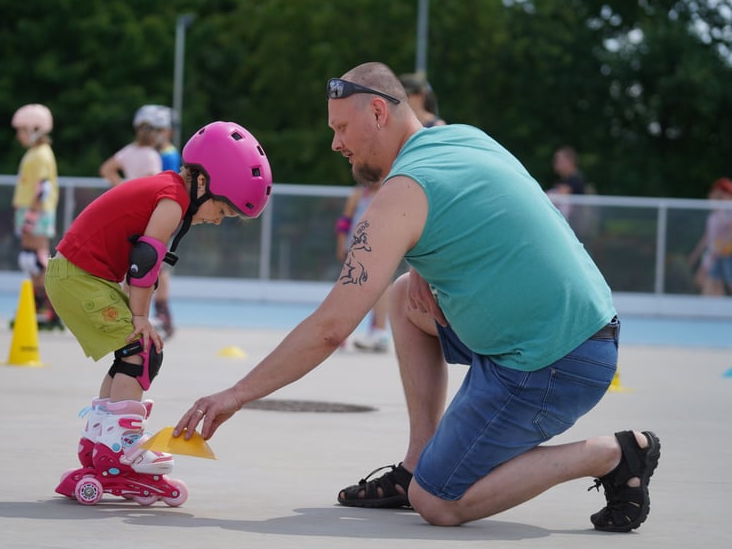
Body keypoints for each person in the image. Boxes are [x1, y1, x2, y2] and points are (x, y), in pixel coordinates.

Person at [174, 62, 660, 533]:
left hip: (551, 362)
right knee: (405, 297)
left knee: (439, 502)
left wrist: (236, 394)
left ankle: (614, 454)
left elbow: (330, 329)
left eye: (342, 127)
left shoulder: (402, 195)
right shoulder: (464, 138)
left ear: (379, 114)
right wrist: (423, 264)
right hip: (577, 332)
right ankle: (417, 463)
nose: (335, 143)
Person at [46, 121, 272, 501]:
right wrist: (139, 317)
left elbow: (143, 263)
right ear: (202, 184)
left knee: (131, 354)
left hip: (76, 273)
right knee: (141, 350)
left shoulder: (169, 190)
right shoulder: (172, 199)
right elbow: (146, 257)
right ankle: (121, 449)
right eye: (222, 209)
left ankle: (102, 441)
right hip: (79, 277)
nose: (217, 219)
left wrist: (138, 316)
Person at [100, 105, 177, 337]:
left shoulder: (130, 151)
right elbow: (159, 186)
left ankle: (130, 312)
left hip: (130, 212)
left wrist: (122, 189)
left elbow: (107, 169)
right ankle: (157, 314)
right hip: (152, 213)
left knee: (132, 265)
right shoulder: (161, 155)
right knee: (155, 265)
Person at [11, 103, 60, 328]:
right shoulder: (35, 153)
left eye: (21, 130)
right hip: (31, 209)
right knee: (31, 259)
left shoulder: (40, 154)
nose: (18, 135)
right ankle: (36, 304)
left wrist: (31, 214)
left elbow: (43, 188)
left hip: (36, 210)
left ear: (35, 129)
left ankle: (50, 306)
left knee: (36, 258)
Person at [335, 181, 390, 352]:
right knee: (350, 289)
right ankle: (341, 331)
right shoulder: (359, 194)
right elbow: (345, 221)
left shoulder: (389, 192)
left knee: (380, 287)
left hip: (379, 247)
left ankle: (380, 331)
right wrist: (341, 244)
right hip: (356, 248)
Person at [99, 105, 164, 185]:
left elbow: (106, 169)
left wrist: (121, 188)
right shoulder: (152, 155)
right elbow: (155, 181)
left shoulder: (128, 151)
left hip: (130, 195)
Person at [689, 177, 732, 295]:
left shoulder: (727, 213)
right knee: (711, 280)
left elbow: (728, 233)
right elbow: (707, 237)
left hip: (725, 252)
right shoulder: (713, 217)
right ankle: (712, 305)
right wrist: (696, 254)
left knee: (720, 281)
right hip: (716, 252)